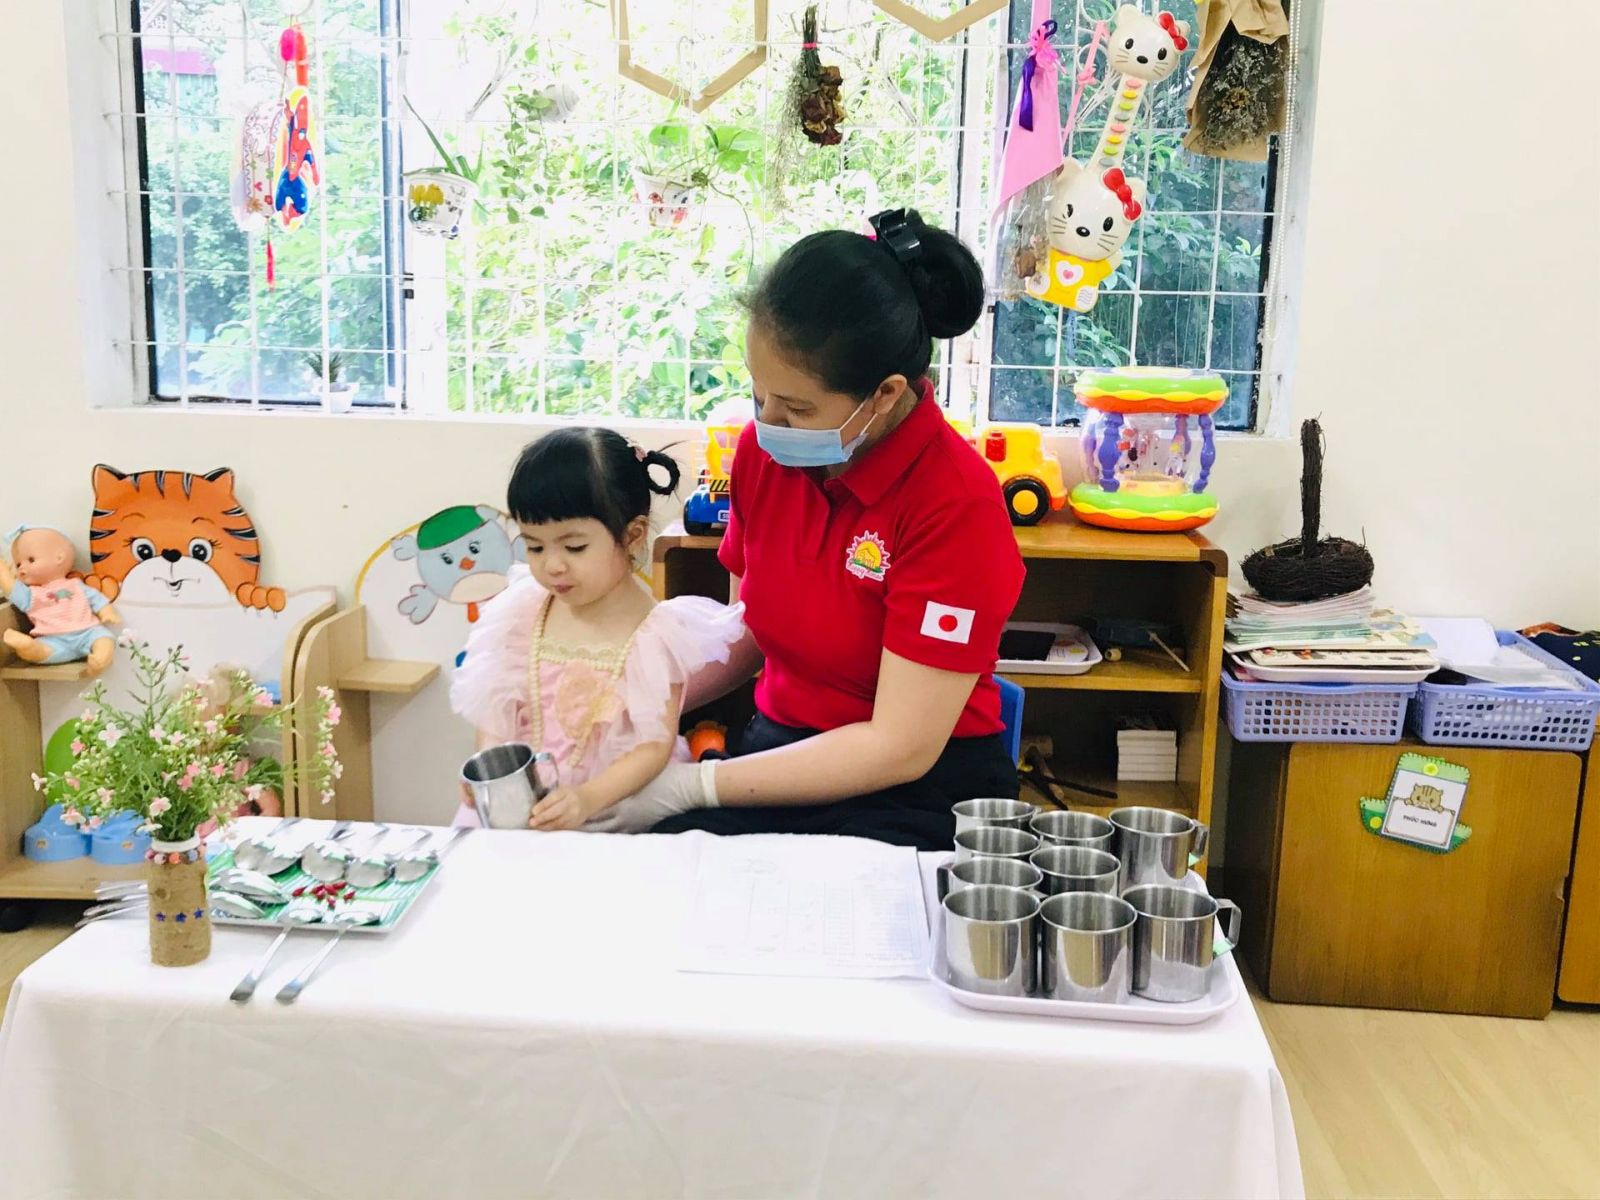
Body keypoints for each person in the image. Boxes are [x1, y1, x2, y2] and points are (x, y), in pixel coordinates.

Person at [644, 208, 1026, 851]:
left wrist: (697, 785)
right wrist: (634, 702)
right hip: (779, 757)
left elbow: (899, 746)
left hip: (914, 792)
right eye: (759, 394)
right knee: (657, 855)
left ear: (885, 394)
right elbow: (748, 631)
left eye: (797, 408)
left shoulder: (955, 505)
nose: (768, 422)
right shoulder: (763, 455)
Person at [450, 428, 745, 832]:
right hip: (517, 811)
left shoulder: (657, 635)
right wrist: (490, 767)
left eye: (574, 547)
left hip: (606, 810)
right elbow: (497, 713)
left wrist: (588, 798)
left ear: (632, 536)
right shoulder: (522, 612)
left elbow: (653, 747)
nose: (552, 565)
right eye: (535, 546)